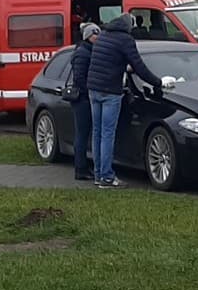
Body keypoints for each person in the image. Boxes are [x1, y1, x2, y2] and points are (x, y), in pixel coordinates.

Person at [85, 14, 160, 188]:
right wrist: (157, 82)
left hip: (93, 89)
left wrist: (123, 67)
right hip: (110, 91)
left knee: (97, 132)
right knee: (108, 134)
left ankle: (98, 174)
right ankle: (107, 177)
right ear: (128, 26)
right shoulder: (125, 40)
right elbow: (140, 67)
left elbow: (108, 60)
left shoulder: (103, 35)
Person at [68, 22, 101, 181]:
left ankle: (84, 166)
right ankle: (80, 168)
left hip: (86, 97)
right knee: (82, 134)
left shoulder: (89, 50)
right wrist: (90, 91)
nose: (97, 37)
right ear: (88, 36)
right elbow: (80, 77)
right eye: (95, 34)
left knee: (85, 133)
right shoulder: (82, 53)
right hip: (82, 99)